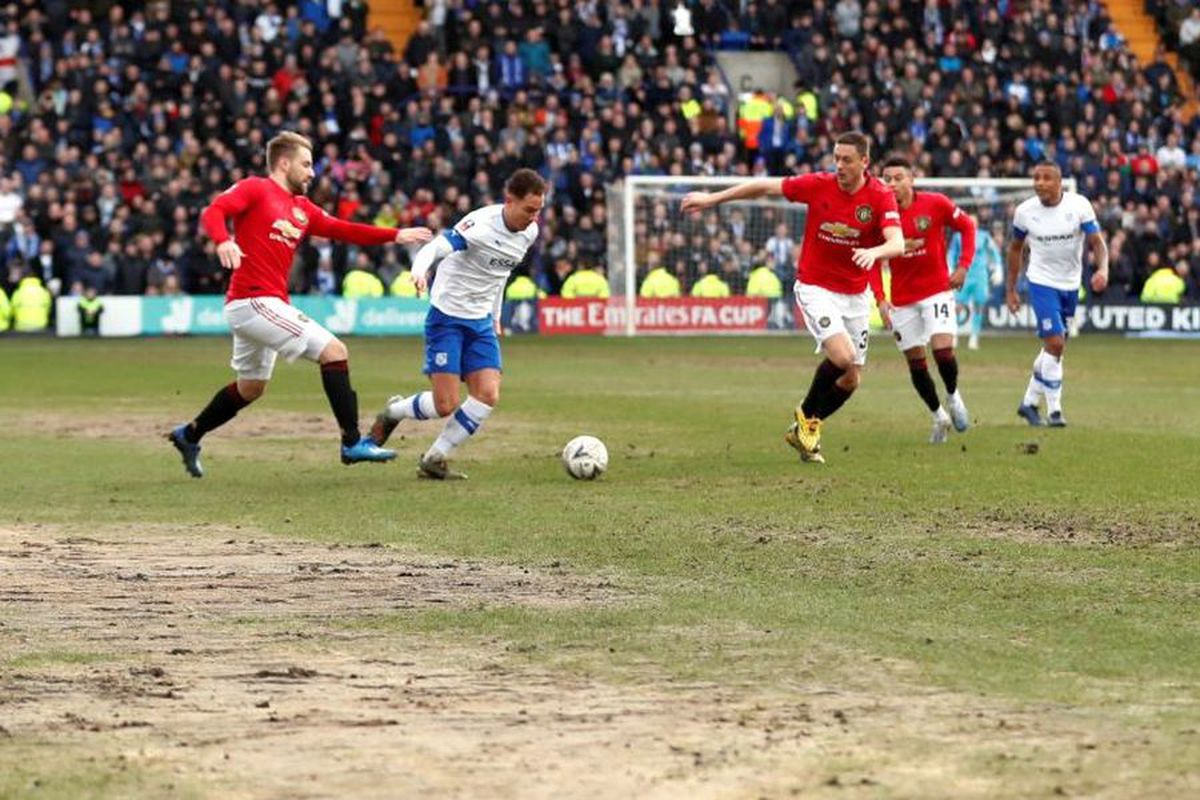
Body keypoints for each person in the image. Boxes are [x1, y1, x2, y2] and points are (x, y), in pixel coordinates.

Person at [168, 131, 432, 478]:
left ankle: (189, 435)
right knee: (335, 351)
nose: (312, 173)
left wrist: (394, 235)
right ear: (284, 162)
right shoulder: (255, 188)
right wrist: (222, 241)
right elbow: (215, 210)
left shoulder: (302, 209)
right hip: (254, 300)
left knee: (251, 388)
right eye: (306, 164)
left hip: (260, 305)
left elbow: (342, 229)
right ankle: (352, 442)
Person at [681, 131, 904, 464]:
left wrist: (874, 252)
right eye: (836, 158)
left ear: (865, 162)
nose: (839, 165)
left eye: (847, 160)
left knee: (852, 379)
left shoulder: (880, 195)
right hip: (816, 286)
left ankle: (805, 427)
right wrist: (713, 199)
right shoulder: (817, 184)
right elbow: (763, 187)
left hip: (855, 294)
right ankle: (806, 415)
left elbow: (897, 243)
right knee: (841, 358)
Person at [369, 169, 546, 480]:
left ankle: (436, 457)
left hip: (480, 322)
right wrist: (420, 271)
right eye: (529, 210)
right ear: (509, 201)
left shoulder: (529, 233)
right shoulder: (479, 225)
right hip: (448, 317)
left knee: (488, 394)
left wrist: (494, 316)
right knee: (445, 404)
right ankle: (394, 411)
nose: (534, 218)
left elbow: (499, 275)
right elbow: (436, 247)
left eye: (539, 210)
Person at [876, 156, 976, 444]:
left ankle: (954, 397)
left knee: (943, 351)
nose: (892, 184)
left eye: (898, 177)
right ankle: (938, 416)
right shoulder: (881, 215)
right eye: (887, 179)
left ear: (912, 179)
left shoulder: (936, 203)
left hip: (936, 290)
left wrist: (963, 266)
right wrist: (881, 299)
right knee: (916, 363)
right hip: (902, 299)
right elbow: (872, 261)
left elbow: (967, 226)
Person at [1006, 161, 1108, 427]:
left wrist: (1103, 269)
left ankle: (1028, 403)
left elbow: (1097, 242)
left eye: (1046, 178)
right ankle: (1055, 411)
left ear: (1059, 182)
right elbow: (1015, 249)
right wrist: (1011, 289)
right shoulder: (1025, 212)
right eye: (1036, 177)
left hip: (1071, 284)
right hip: (1041, 282)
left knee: (1054, 349)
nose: (1039, 182)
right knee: (1056, 344)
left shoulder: (1079, 206)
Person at [950, 216, 1003, 350]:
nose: (972, 224)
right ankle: (954, 334)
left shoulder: (984, 236)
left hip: (980, 276)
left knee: (979, 305)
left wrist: (998, 268)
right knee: (958, 305)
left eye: (974, 222)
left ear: (978, 223)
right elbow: (951, 253)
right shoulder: (958, 236)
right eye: (970, 221)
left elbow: (993, 252)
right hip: (963, 275)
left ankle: (974, 337)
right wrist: (950, 267)